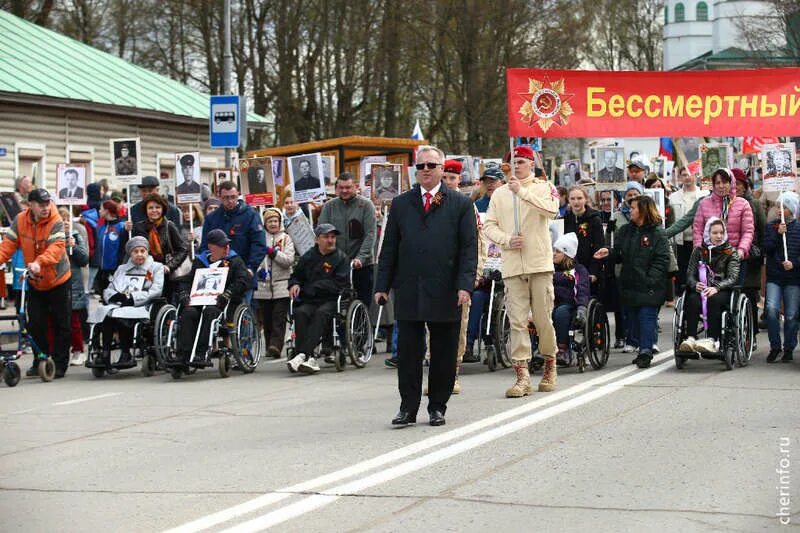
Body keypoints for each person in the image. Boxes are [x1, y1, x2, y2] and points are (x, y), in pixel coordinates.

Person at [376, 145, 477, 426]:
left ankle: (437, 406)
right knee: (408, 352)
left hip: (445, 287)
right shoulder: (401, 203)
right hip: (409, 286)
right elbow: (389, 248)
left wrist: (464, 285)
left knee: (443, 352)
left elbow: (469, 249)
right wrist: (382, 285)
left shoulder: (460, 204)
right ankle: (408, 407)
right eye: (420, 166)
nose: (425, 171)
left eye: (431, 165)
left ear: (442, 169)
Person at [483, 145, 559, 397]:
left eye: (522, 162)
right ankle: (522, 374)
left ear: (531, 164)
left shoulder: (543, 187)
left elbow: (552, 211)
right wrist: (505, 239)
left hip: (539, 262)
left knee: (542, 318)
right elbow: (489, 226)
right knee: (516, 321)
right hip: (513, 264)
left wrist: (523, 192)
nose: (516, 166)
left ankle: (550, 362)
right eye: (512, 163)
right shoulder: (499, 194)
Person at [0, 189, 72, 378]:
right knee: (35, 324)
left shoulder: (55, 220)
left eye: (48, 203)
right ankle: (40, 359)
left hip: (58, 279)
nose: (46, 207)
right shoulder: (20, 220)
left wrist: (39, 262)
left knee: (61, 323)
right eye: (41, 204)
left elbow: (56, 248)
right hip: (35, 279)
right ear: (30, 204)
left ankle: (59, 363)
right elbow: (7, 246)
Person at [605, 195, 670, 368]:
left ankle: (646, 351)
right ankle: (641, 346)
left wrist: (651, 279)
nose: (630, 211)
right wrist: (608, 253)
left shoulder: (658, 233)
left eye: (633, 208)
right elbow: (618, 253)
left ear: (643, 210)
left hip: (649, 285)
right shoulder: (626, 231)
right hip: (630, 282)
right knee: (633, 318)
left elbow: (662, 259)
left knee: (646, 316)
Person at [175, 229, 251, 367]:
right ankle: (183, 354)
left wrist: (227, 293)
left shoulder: (234, 261)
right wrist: (184, 294)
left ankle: (202, 352)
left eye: (227, 244)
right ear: (211, 247)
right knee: (188, 313)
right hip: (200, 301)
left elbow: (242, 281)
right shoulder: (200, 262)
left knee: (210, 312)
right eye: (222, 245)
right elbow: (189, 280)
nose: (226, 247)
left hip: (222, 303)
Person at [286, 223, 350, 374]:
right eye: (326, 237)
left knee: (321, 314)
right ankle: (307, 358)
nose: (330, 240)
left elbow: (340, 284)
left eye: (333, 237)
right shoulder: (309, 256)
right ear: (317, 240)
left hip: (332, 299)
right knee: (300, 312)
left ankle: (302, 355)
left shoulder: (341, 258)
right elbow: (296, 275)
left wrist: (314, 287)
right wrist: (294, 284)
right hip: (310, 299)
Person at [95, 237, 164, 367]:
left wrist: (133, 297)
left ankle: (125, 353)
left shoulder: (155, 268)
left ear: (147, 252)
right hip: (120, 303)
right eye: (135, 251)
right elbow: (110, 288)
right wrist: (115, 296)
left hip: (143, 304)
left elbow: (156, 290)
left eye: (142, 251)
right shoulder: (122, 268)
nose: (139, 254)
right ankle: (105, 353)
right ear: (130, 254)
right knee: (107, 316)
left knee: (122, 315)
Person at [679, 218, 740, 354]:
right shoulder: (699, 251)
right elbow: (689, 273)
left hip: (722, 289)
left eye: (721, 233)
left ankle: (712, 339)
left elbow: (732, 277)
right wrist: (695, 284)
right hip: (702, 288)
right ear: (708, 233)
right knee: (692, 299)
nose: (719, 236)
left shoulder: (731, 252)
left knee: (714, 299)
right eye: (715, 233)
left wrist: (717, 287)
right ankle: (691, 338)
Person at [317, 172, 376, 304]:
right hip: (336, 264)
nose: (344, 191)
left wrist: (361, 258)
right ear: (337, 188)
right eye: (341, 187)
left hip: (361, 265)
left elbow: (370, 234)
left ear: (355, 187)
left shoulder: (366, 205)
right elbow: (322, 232)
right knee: (335, 303)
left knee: (362, 303)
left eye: (348, 187)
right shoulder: (329, 206)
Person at [200, 181, 267, 288]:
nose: (230, 201)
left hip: (243, 274)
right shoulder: (212, 218)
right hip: (217, 275)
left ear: (238, 195)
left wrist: (251, 268)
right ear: (219, 197)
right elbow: (205, 246)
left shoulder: (250, 215)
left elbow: (259, 244)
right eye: (226, 198)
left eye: (233, 197)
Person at [763, 191, 800, 363]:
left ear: (791, 210)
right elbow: (767, 249)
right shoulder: (771, 227)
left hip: (793, 278)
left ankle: (789, 347)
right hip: (775, 276)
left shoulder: (798, 228)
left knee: (792, 314)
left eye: (784, 207)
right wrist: (778, 235)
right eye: (778, 206)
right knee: (771, 310)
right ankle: (775, 346)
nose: (779, 210)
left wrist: (794, 263)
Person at [254, 208, 295, 359]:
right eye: (270, 221)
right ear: (265, 223)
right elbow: (255, 257)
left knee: (279, 317)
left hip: (281, 285)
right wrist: (259, 270)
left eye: (275, 221)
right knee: (267, 319)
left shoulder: (286, 238)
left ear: (280, 222)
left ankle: (276, 345)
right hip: (263, 286)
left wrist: (274, 253)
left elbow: (289, 260)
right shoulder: (259, 238)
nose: (273, 224)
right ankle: (269, 345)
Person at [132, 193, 189, 301]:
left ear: (163, 209)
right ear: (146, 210)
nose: (154, 210)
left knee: (162, 302)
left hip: (164, 274)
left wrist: (169, 266)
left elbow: (182, 249)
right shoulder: (139, 227)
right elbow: (132, 248)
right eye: (151, 208)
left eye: (157, 207)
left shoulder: (169, 226)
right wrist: (126, 230)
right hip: (144, 272)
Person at [692, 168, 754, 262]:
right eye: (717, 183)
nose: (721, 186)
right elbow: (697, 230)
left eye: (724, 182)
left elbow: (748, 231)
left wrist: (741, 250)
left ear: (731, 183)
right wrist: (699, 250)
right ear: (713, 185)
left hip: (735, 257)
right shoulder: (704, 203)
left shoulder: (743, 204)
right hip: (710, 257)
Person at [733, 168, 765, 332]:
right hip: (731, 255)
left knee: (749, 292)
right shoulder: (726, 202)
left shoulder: (754, 204)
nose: (735, 187)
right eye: (733, 184)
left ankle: (751, 329)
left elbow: (763, 227)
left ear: (744, 186)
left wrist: (761, 252)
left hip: (751, 255)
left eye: (738, 184)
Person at [551, 233, 590, 366]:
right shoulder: (549, 269)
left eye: (558, 251)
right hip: (550, 302)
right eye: (554, 250)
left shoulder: (579, 270)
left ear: (567, 254)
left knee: (560, 313)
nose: (554, 254)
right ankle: (540, 349)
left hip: (570, 305)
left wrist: (582, 307)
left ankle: (563, 349)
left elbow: (583, 289)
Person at [668, 167, 709, 293]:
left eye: (690, 174)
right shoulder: (673, 197)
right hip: (681, 240)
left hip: (699, 240)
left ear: (696, 176)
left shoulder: (704, 194)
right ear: (680, 177)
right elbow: (678, 220)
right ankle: (683, 294)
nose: (687, 177)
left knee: (699, 270)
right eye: (684, 175)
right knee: (683, 269)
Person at [58, 208, 89, 366]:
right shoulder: (53, 238)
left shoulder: (76, 236)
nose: (64, 222)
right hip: (57, 281)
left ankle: (78, 350)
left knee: (74, 320)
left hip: (73, 282)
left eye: (66, 219)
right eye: (61, 219)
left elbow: (84, 259)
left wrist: (74, 246)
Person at [563, 186, 607, 291]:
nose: (576, 202)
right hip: (570, 267)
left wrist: (594, 272)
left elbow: (598, 246)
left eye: (579, 198)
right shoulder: (565, 219)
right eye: (572, 199)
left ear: (585, 199)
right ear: (568, 200)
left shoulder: (594, 219)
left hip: (588, 266)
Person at [93, 200, 128, 295]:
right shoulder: (100, 227)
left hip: (115, 271)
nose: (99, 211)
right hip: (101, 271)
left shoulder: (122, 227)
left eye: (101, 209)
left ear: (107, 211)